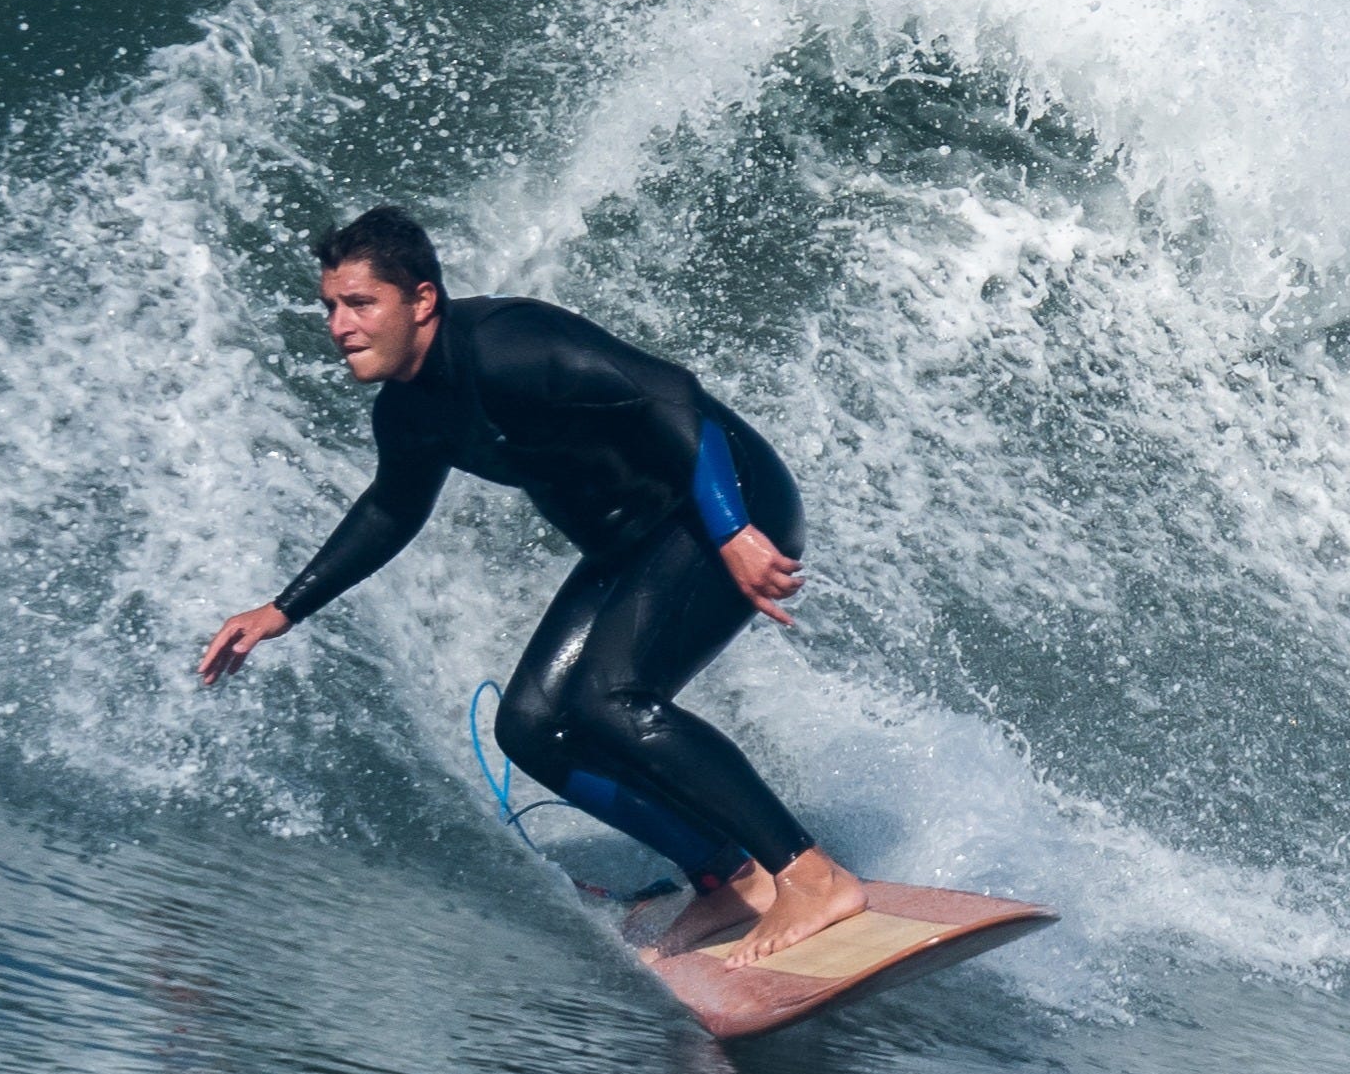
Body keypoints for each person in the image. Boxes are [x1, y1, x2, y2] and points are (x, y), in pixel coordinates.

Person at [192, 207, 872, 966]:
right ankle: (722, 876)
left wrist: (731, 529)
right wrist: (284, 608)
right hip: (633, 541)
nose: (339, 325)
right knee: (531, 725)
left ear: (420, 300)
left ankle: (810, 876)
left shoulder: (511, 347)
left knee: (611, 697)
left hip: (724, 503)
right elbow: (391, 508)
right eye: (330, 307)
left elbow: (674, 395)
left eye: (359, 304)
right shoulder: (410, 413)